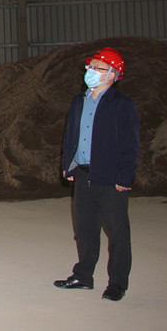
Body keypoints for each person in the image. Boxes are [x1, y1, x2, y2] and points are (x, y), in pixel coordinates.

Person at [54, 47, 140, 302]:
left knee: (117, 232)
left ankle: (117, 283)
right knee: (85, 229)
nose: (89, 71)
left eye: (96, 68)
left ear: (112, 75)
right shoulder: (79, 101)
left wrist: (125, 177)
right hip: (82, 174)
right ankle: (83, 276)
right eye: (89, 67)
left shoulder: (122, 105)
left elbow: (131, 144)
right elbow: (70, 135)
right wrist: (69, 165)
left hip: (109, 177)